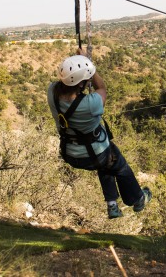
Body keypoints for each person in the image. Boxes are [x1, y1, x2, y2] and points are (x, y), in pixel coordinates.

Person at [48, 51, 151, 219]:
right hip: (95, 154)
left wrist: (80, 66)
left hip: (70, 153)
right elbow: (101, 88)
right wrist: (89, 64)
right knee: (119, 165)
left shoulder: (52, 92)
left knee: (106, 163)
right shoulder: (91, 103)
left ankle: (112, 205)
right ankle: (138, 199)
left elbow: (65, 85)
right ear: (82, 84)